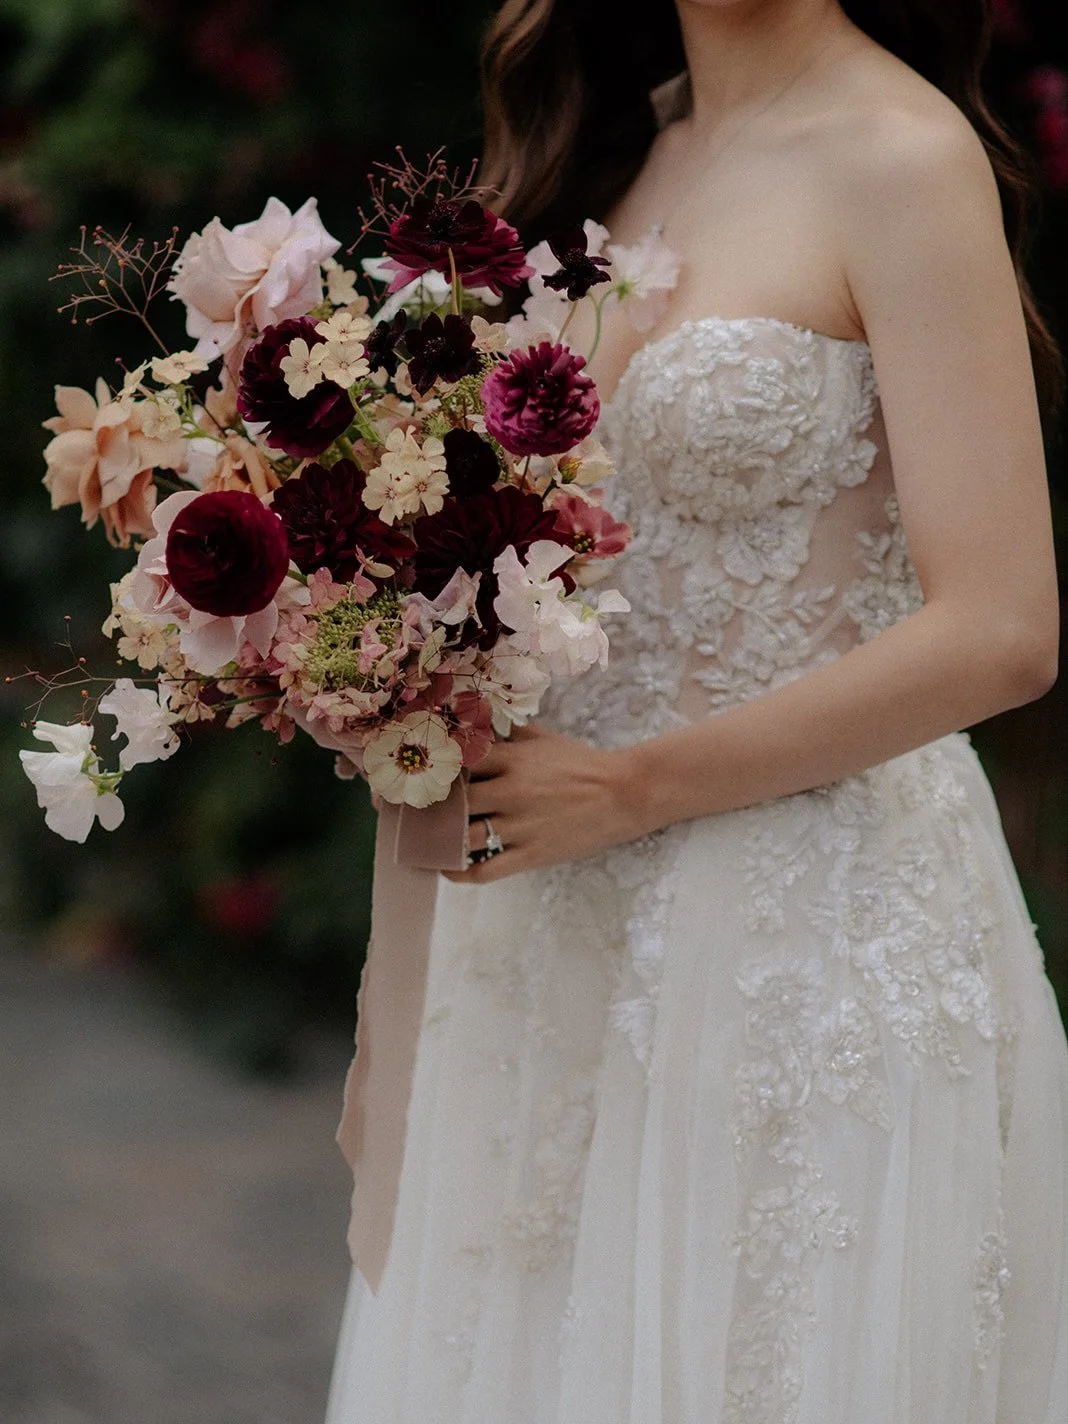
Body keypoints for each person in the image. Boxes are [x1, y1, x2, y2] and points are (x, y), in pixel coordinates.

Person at [326, 1, 1068, 1419]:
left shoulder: (902, 155)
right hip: (545, 930)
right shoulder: (621, 146)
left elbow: (1002, 630)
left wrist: (634, 788)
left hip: (799, 930)